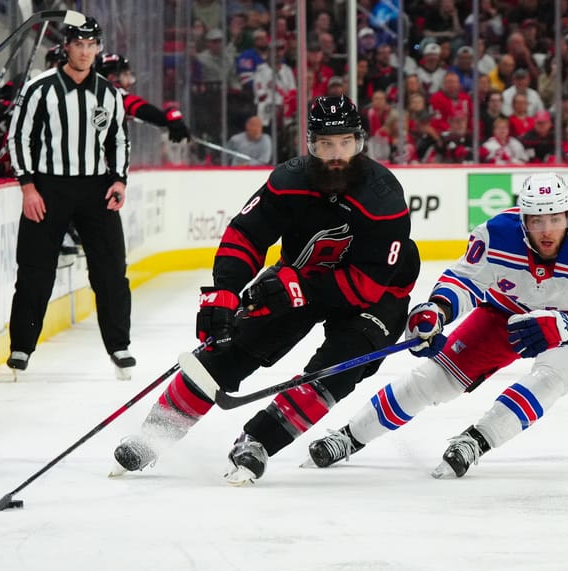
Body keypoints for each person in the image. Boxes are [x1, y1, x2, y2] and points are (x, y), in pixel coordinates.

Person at [112, 95, 421, 484]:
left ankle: (259, 440)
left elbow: (367, 286)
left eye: (346, 143)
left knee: (337, 369)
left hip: (379, 297)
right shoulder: (288, 180)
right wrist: (224, 292)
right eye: (327, 144)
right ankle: (155, 434)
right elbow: (246, 234)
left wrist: (298, 286)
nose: (337, 154)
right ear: (310, 144)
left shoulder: (384, 197)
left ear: (360, 142)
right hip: (300, 277)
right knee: (230, 344)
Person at [307, 173, 568, 479]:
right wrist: (437, 310)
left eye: (555, 219)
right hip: (505, 313)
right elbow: (464, 280)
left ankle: (477, 441)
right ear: (523, 221)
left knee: (556, 374)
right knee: (435, 378)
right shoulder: (497, 234)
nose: (548, 231)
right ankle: (351, 436)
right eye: (538, 221)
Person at [5, 18, 135, 378]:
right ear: (67, 47)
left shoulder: (109, 93)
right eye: (78, 44)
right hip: (48, 188)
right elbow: (19, 137)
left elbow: (118, 140)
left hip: (96, 189)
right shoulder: (40, 88)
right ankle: (21, 347)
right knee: (35, 270)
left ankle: (119, 345)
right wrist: (28, 186)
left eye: (91, 44)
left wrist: (119, 180)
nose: (84, 51)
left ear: (98, 48)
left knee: (111, 271)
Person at [95, 52, 190, 142]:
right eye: (125, 74)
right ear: (112, 78)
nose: (129, 80)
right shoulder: (114, 97)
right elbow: (141, 109)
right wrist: (170, 117)